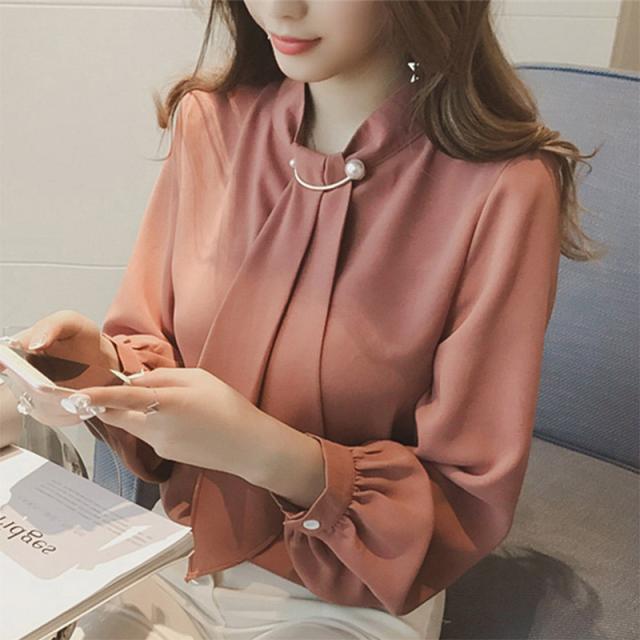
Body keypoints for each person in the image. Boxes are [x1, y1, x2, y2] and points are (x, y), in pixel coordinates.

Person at [5, 1, 605, 638]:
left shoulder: (504, 187)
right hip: (168, 558)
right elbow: (155, 351)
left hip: (351, 594)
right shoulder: (210, 123)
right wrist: (98, 367)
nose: (281, 8)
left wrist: (261, 450)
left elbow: (464, 494)